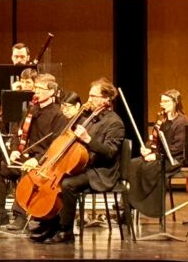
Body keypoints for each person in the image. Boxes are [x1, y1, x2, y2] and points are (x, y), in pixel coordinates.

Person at [30, 78, 125, 244]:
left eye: (93, 96)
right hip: (86, 166)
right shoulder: (93, 117)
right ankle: (51, 224)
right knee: (59, 179)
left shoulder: (115, 123)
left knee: (67, 184)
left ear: (106, 99)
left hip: (101, 172)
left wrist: (88, 139)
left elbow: (110, 152)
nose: (89, 100)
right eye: (89, 95)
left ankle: (66, 231)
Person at [0, 73, 66, 230]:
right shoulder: (31, 110)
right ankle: (0, 213)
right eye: (36, 88)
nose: (36, 91)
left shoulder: (58, 115)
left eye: (40, 88)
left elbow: (56, 145)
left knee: (27, 171)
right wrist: (15, 150)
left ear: (51, 92)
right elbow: (19, 133)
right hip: (28, 155)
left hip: (45, 160)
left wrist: (37, 160)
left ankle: (21, 215)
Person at [127, 89, 188, 219]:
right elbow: (154, 141)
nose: (162, 104)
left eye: (166, 101)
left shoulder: (181, 121)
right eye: (162, 102)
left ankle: (144, 204)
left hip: (173, 159)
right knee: (133, 164)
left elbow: (177, 147)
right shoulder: (162, 120)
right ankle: (130, 203)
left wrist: (156, 156)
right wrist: (147, 149)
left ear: (175, 102)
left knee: (148, 167)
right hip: (160, 156)